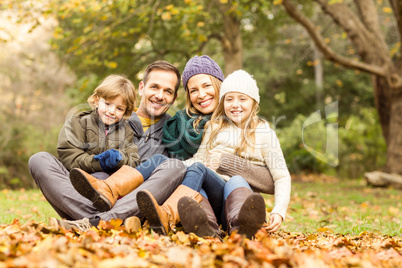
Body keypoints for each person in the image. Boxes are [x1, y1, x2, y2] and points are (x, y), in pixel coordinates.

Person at [28, 61, 186, 231]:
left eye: (168, 91)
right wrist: (98, 162)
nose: (160, 96)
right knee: (39, 160)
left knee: (175, 166)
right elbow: (69, 156)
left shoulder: (175, 131)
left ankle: (92, 222)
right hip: (86, 194)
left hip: (130, 202)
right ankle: (101, 221)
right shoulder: (100, 121)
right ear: (142, 88)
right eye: (154, 87)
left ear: (174, 97)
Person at [137, 56, 276, 237]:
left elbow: (272, 181)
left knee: (234, 180)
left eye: (207, 85)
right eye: (193, 90)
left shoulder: (242, 120)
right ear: (188, 95)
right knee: (195, 177)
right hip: (199, 198)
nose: (201, 94)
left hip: (234, 199)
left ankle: (241, 225)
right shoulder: (177, 126)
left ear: (220, 85)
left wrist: (228, 162)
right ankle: (205, 227)